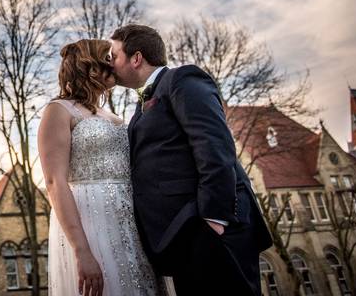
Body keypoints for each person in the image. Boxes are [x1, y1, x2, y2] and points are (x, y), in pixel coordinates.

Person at [108, 24, 273, 296]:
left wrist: (215, 217)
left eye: (114, 55)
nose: (110, 64)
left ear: (136, 58)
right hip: (183, 236)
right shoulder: (142, 104)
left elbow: (214, 145)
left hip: (211, 229)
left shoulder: (182, 80)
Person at [38, 38, 163, 296]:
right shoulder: (58, 111)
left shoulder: (113, 117)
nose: (114, 64)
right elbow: (54, 183)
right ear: (91, 66)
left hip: (130, 223)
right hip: (91, 222)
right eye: (108, 58)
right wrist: (82, 251)